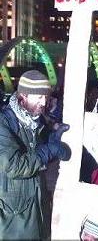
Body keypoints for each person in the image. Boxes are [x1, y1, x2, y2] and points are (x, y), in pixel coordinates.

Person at [0, 70, 71, 240]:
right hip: (13, 216)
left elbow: (37, 156)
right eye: (38, 97)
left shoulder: (34, 119)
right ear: (23, 95)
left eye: (45, 97)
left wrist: (51, 138)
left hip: (36, 207)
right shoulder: (3, 123)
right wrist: (49, 150)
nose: (43, 102)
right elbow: (14, 166)